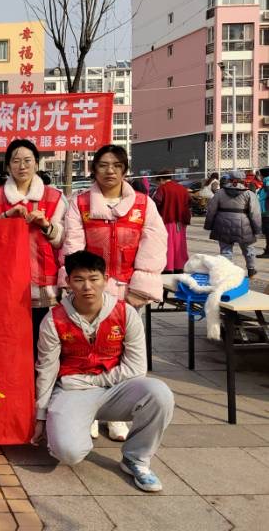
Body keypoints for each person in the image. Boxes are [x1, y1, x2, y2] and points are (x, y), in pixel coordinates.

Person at [32, 250, 174, 492]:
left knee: (159, 393)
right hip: (73, 393)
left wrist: (90, 380)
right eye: (79, 279)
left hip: (114, 390)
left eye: (93, 278)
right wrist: (41, 415)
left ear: (105, 279)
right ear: (68, 282)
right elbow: (46, 369)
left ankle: (136, 459)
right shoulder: (54, 320)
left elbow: (136, 369)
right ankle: (78, 424)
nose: (87, 286)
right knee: (67, 452)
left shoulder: (126, 313)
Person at [61, 144, 166, 442]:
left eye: (116, 165)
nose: (110, 171)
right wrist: (79, 286)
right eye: (103, 165)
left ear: (124, 170)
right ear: (94, 169)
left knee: (124, 353)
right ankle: (91, 411)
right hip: (90, 294)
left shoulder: (144, 205)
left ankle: (119, 413)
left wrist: (139, 290)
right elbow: (73, 246)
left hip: (130, 293)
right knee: (86, 350)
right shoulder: (80, 203)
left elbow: (154, 244)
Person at [0, 139, 66, 355]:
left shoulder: (55, 197)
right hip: (6, 284)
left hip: (44, 284)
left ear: (36, 163)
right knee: (10, 346)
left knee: (43, 345)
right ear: (8, 165)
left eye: (27, 160)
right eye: (16, 161)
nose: (22, 166)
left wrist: (46, 225)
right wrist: (5, 217)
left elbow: (63, 240)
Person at [204, 170, 262, 278]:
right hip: (244, 224)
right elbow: (255, 213)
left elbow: (211, 210)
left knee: (225, 250)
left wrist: (209, 225)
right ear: (243, 180)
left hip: (222, 223)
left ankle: (227, 272)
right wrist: (257, 229)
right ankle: (251, 269)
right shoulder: (249, 193)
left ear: (229, 179)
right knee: (248, 248)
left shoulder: (220, 193)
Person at [152, 170, 192, 274]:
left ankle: (168, 267)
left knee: (167, 243)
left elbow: (156, 202)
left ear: (161, 179)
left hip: (167, 219)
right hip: (181, 221)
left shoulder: (162, 188)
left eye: (158, 181)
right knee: (180, 244)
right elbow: (189, 201)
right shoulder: (182, 188)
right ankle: (180, 265)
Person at [257, 168, 269, 258]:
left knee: (268, 233)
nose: (259, 176)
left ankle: (268, 252)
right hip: (265, 212)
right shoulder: (265, 182)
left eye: (260, 174)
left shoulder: (267, 182)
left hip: (267, 212)